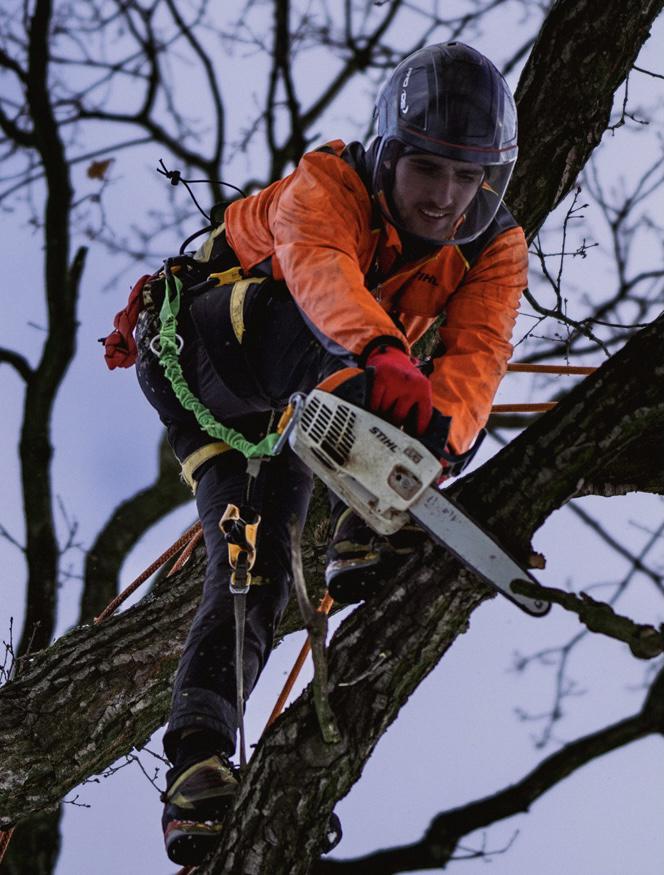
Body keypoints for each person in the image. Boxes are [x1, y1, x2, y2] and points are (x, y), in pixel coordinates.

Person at [109, 41, 527, 865]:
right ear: (391, 154)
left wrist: (436, 453)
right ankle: (370, 499)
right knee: (340, 350)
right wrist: (379, 354)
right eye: (430, 171)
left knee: (255, 570)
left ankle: (196, 761)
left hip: (309, 405)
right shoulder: (326, 184)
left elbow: (478, 357)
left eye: (467, 178)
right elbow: (318, 271)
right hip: (213, 346)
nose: (446, 199)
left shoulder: (492, 250)